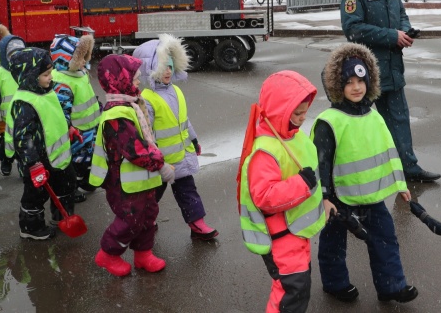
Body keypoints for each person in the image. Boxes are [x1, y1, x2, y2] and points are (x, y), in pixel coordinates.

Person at [312, 43, 418, 304]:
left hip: (372, 196)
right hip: (339, 198)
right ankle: (335, 283)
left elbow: (388, 152)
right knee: (333, 244)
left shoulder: (374, 116)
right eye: (349, 82)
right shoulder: (329, 121)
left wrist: (400, 183)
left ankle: (391, 286)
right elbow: (320, 163)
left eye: (361, 80)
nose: (356, 87)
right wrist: (325, 197)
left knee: (385, 239)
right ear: (337, 85)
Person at [341, 0, 440, 183]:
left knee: (399, 121)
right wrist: (391, 36)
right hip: (366, 74)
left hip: (393, 70)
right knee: (361, 126)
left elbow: (402, 16)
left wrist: (405, 31)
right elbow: (353, 29)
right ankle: (358, 177)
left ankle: (409, 168)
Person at [237, 70, 326, 313]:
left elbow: (313, 176)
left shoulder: (294, 137)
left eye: (305, 111)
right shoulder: (265, 151)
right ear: (279, 111)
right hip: (281, 235)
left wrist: (323, 199)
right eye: (296, 113)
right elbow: (264, 197)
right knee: (291, 290)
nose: (302, 118)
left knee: (298, 286)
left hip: (296, 231)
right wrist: (302, 184)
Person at [88, 54, 173, 277]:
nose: (138, 81)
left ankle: (143, 254)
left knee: (147, 216)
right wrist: (160, 164)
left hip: (141, 179)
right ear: (120, 79)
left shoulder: (131, 105)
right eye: (134, 78)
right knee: (130, 220)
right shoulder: (118, 114)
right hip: (123, 181)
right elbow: (135, 149)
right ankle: (108, 254)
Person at [133, 34, 218, 240]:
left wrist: (194, 140)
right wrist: (152, 157)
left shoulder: (177, 91)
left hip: (181, 156)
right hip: (160, 161)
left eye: (171, 67)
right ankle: (145, 222)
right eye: (164, 68)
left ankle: (197, 224)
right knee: (152, 195)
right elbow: (146, 132)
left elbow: (183, 121)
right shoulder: (148, 99)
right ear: (151, 70)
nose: (168, 71)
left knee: (188, 191)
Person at [6, 47, 76, 240]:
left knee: (66, 184)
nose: (50, 77)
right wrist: (33, 164)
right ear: (29, 76)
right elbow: (22, 137)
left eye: (50, 72)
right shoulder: (25, 102)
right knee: (35, 195)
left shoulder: (46, 91)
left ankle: (61, 215)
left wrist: (69, 127)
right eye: (45, 74)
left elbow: (55, 115)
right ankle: (31, 227)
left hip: (57, 156)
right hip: (37, 161)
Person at [49, 33, 101, 203]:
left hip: (90, 126)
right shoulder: (62, 82)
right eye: (80, 56)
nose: (85, 61)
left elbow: (88, 97)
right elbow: (62, 111)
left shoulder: (80, 74)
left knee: (87, 157)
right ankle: (72, 187)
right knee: (75, 160)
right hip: (76, 131)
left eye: (86, 55)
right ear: (67, 59)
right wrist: (68, 126)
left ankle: (84, 181)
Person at [0, 34, 26, 176]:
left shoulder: (26, 69)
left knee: (24, 143)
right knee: (8, 142)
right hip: (6, 118)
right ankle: (6, 161)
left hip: (25, 114)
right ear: (4, 55)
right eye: (12, 54)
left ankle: (24, 168)